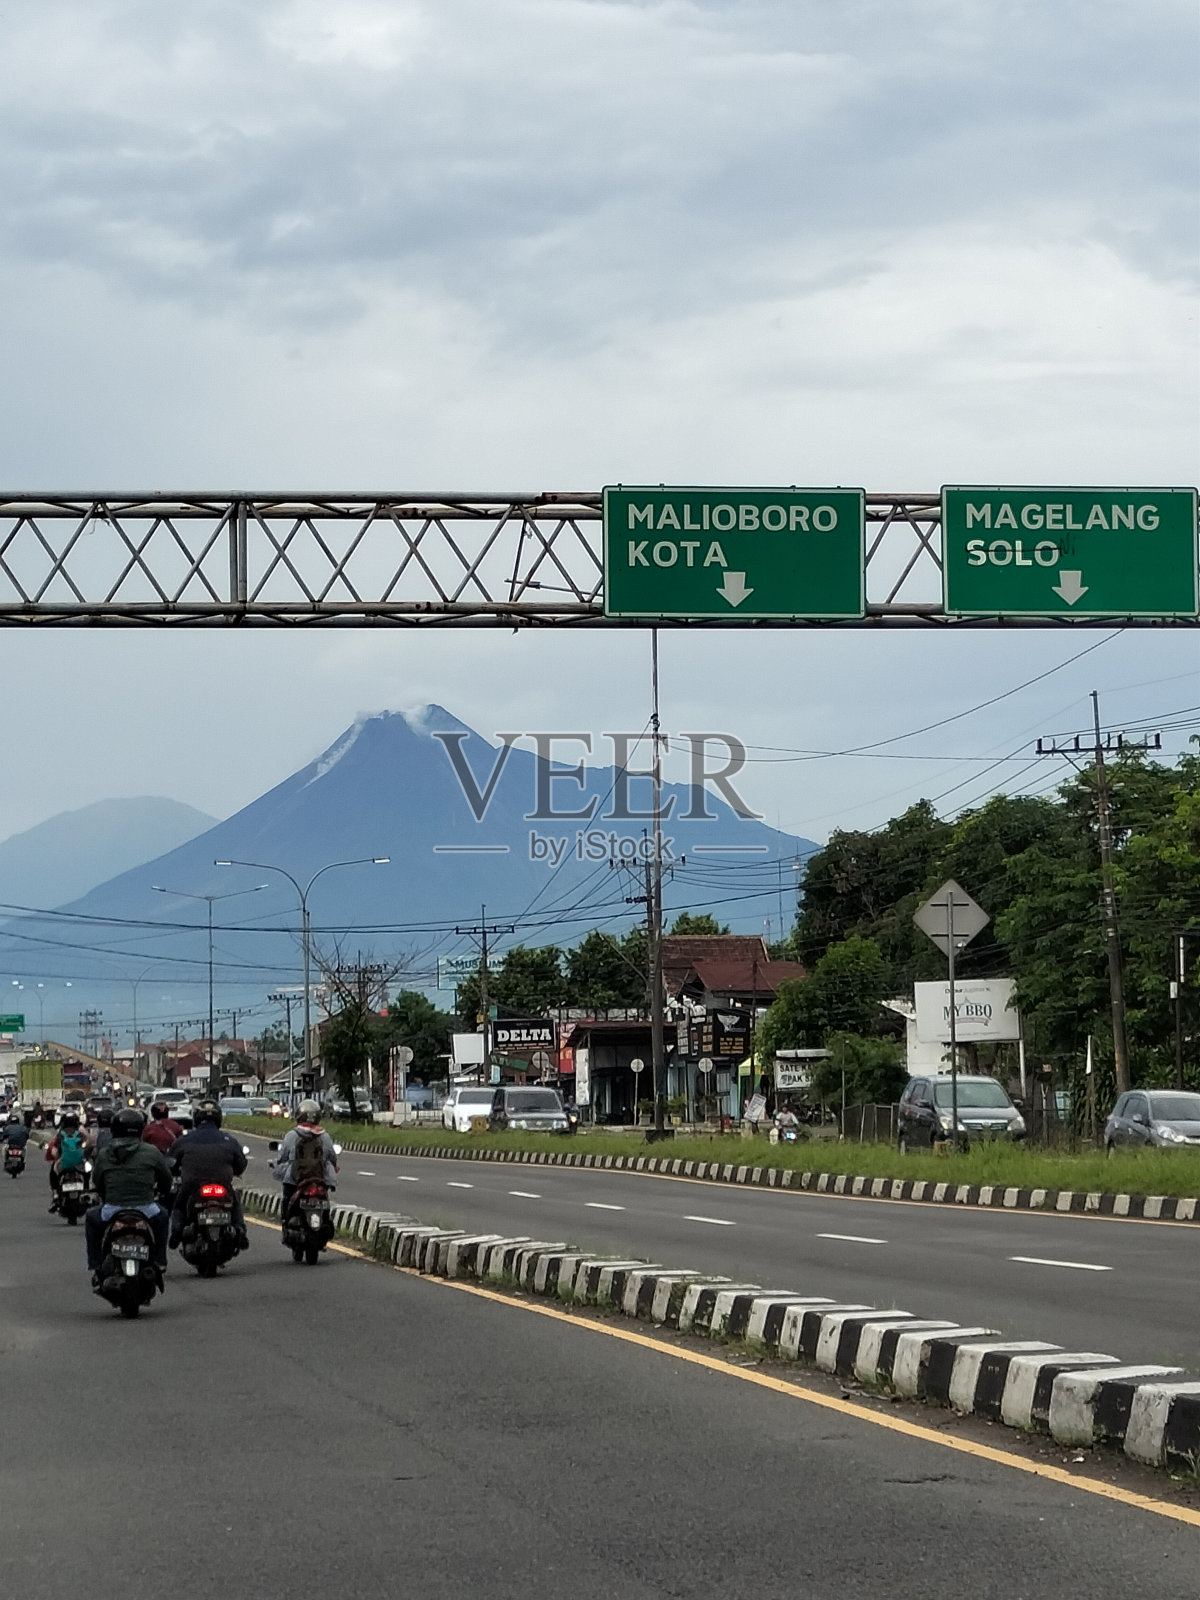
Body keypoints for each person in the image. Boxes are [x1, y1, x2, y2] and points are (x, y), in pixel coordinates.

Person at [86, 1107, 172, 1282]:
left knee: (91, 1218)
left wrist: (106, 1195)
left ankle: (96, 1265)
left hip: (112, 1209)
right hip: (146, 1209)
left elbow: (97, 1182)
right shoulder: (152, 1152)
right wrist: (160, 1191)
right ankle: (160, 1260)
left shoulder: (104, 1154)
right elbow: (166, 1181)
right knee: (163, 1217)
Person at [167, 1101, 248, 1250]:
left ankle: (176, 1232)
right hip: (222, 1184)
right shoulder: (229, 1140)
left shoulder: (185, 1140)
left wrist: (176, 1172)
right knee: (235, 1203)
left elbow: (170, 1163)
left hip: (192, 1185)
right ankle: (240, 1231)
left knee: (179, 1205)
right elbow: (241, 1164)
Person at [272, 1100, 339, 1216]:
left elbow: (282, 1158)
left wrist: (277, 1165)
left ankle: (285, 1220)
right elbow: (332, 1157)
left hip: (294, 1179)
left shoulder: (291, 1135)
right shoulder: (325, 1136)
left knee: (287, 1201)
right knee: (325, 1204)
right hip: (320, 1178)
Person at [44, 1108, 92, 1212]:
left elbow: (54, 1152)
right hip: (79, 1163)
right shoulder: (80, 1134)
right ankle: (86, 1190)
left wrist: (57, 1158)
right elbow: (88, 1145)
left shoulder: (61, 1134)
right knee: (88, 1171)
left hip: (64, 1163)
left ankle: (55, 1195)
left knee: (53, 1172)